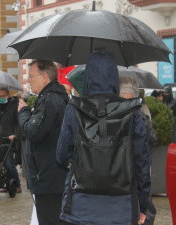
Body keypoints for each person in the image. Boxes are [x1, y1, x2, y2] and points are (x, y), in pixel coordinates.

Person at [57, 51, 150, 225]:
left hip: (80, 206)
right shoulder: (132, 111)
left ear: (87, 77)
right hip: (121, 207)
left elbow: (61, 156)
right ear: (114, 78)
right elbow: (141, 163)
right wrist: (143, 205)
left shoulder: (74, 109)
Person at [18, 60, 68, 225]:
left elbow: (33, 131)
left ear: (45, 77)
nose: (29, 80)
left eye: (32, 76)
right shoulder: (54, 97)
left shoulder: (50, 99)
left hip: (48, 176)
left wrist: (24, 111)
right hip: (52, 175)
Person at [120, 76, 157, 225]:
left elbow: (151, 140)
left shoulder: (138, 116)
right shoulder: (138, 114)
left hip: (134, 174)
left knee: (144, 209)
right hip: (134, 174)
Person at [0, 87, 22, 193]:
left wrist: (15, 135)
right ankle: (8, 185)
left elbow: (19, 122)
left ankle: (17, 184)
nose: (1, 98)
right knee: (3, 164)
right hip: (0, 138)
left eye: (2, 96)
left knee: (9, 163)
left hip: (10, 138)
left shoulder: (15, 106)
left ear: (8, 95)